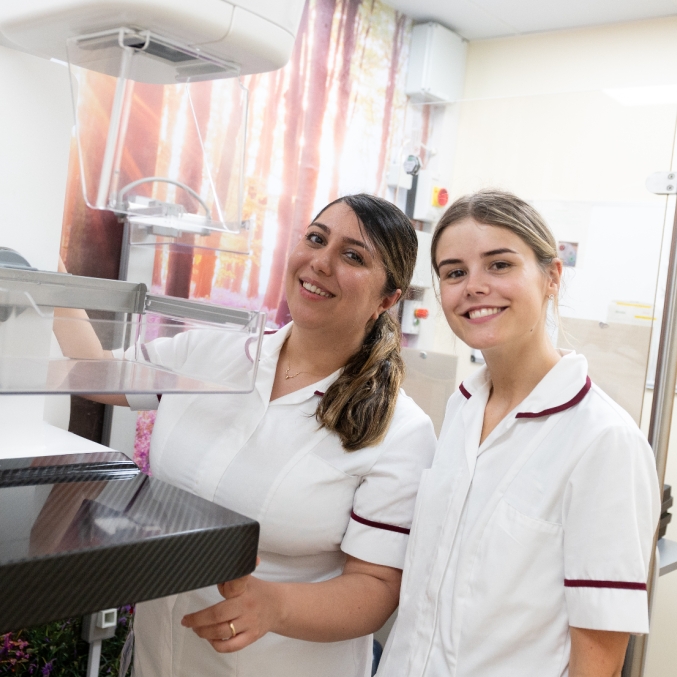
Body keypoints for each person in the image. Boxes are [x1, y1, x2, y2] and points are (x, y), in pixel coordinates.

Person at [56, 193, 437, 677]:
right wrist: (47, 277)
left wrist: (275, 605)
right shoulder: (209, 354)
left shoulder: (402, 431)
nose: (320, 262)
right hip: (159, 656)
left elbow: (376, 588)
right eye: (316, 239)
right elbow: (94, 375)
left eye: (353, 255)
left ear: (387, 299)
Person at [377, 190, 660, 677]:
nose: (474, 287)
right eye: (454, 272)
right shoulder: (463, 409)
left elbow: (599, 656)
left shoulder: (605, 442)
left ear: (552, 276)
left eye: (500, 265)